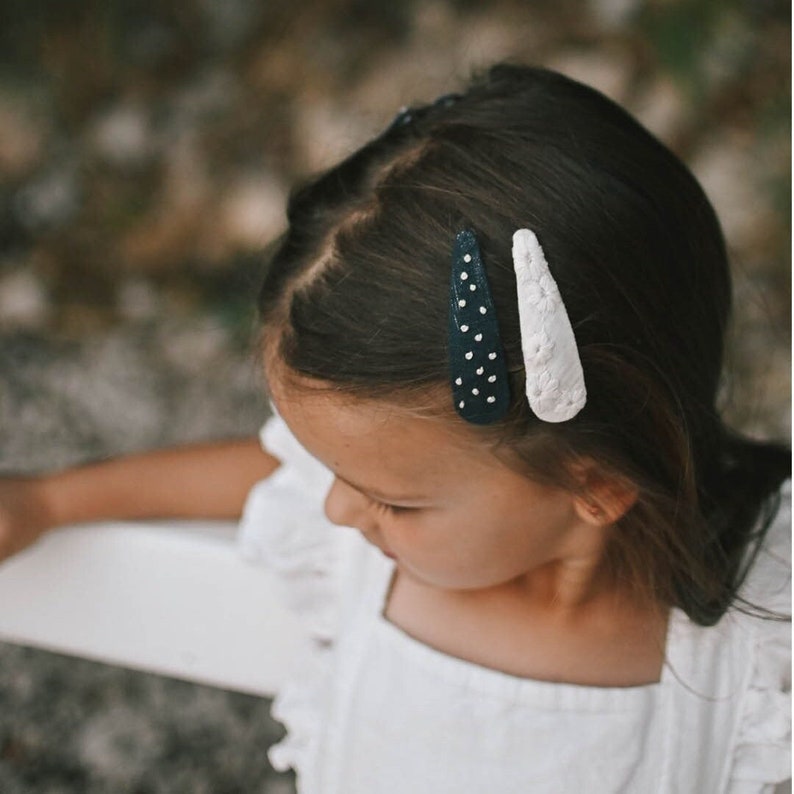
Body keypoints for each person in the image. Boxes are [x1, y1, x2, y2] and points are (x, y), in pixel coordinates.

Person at [0, 64, 789, 793]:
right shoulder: (377, 539)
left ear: (598, 485)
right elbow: (265, 474)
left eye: (390, 501)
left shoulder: (753, 663)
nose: (335, 509)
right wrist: (50, 502)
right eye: (329, 470)